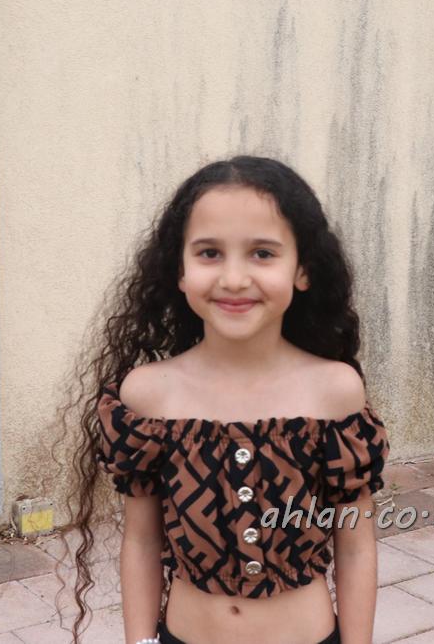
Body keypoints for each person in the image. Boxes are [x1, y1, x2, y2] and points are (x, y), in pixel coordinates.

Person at [53, 156, 391, 644]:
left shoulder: (334, 393)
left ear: (302, 270)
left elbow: (355, 547)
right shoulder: (148, 398)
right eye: (209, 253)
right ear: (180, 270)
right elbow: (142, 542)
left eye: (262, 253)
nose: (233, 278)